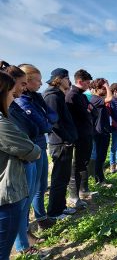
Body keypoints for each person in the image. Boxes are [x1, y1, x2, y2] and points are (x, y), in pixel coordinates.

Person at [0, 70, 41, 260]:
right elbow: (30, 149)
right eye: (10, 91)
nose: (14, 95)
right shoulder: (2, 122)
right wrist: (32, 148)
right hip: (6, 193)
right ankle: (23, 245)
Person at [16, 64, 58, 230]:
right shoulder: (22, 102)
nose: (41, 84)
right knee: (30, 190)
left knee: (41, 186)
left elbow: (53, 116)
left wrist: (46, 121)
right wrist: (46, 122)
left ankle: (41, 217)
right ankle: (25, 230)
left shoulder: (37, 98)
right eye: (38, 80)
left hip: (41, 145)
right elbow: (45, 126)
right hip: (32, 149)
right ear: (27, 81)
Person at [43, 68, 78, 219]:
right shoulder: (52, 96)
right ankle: (54, 212)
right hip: (60, 143)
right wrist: (67, 138)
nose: (68, 81)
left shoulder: (58, 95)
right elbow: (55, 123)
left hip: (64, 142)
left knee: (63, 177)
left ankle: (61, 207)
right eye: (67, 78)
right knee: (58, 178)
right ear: (60, 79)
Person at [65, 69, 94, 208]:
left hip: (86, 134)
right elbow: (85, 113)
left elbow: (91, 110)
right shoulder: (72, 96)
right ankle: (73, 196)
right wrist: (88, 110)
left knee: (83, 164)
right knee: (77, 166)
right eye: (87, 83)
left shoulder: (81, 95)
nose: (89, 85)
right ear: (80, 81)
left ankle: (82, 191)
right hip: (79, 136)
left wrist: (89, 110)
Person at [90, 78, 113, 183]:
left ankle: (100, 178)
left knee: (101, 157)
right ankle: (99, 179)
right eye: (103, 89)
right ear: (97, 89)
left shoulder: (97, 99)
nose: (105, 91)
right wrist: (107, 86)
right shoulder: (95, 98)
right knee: (100, 157)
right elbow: (110, 98)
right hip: (99, 133)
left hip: (103, 131)